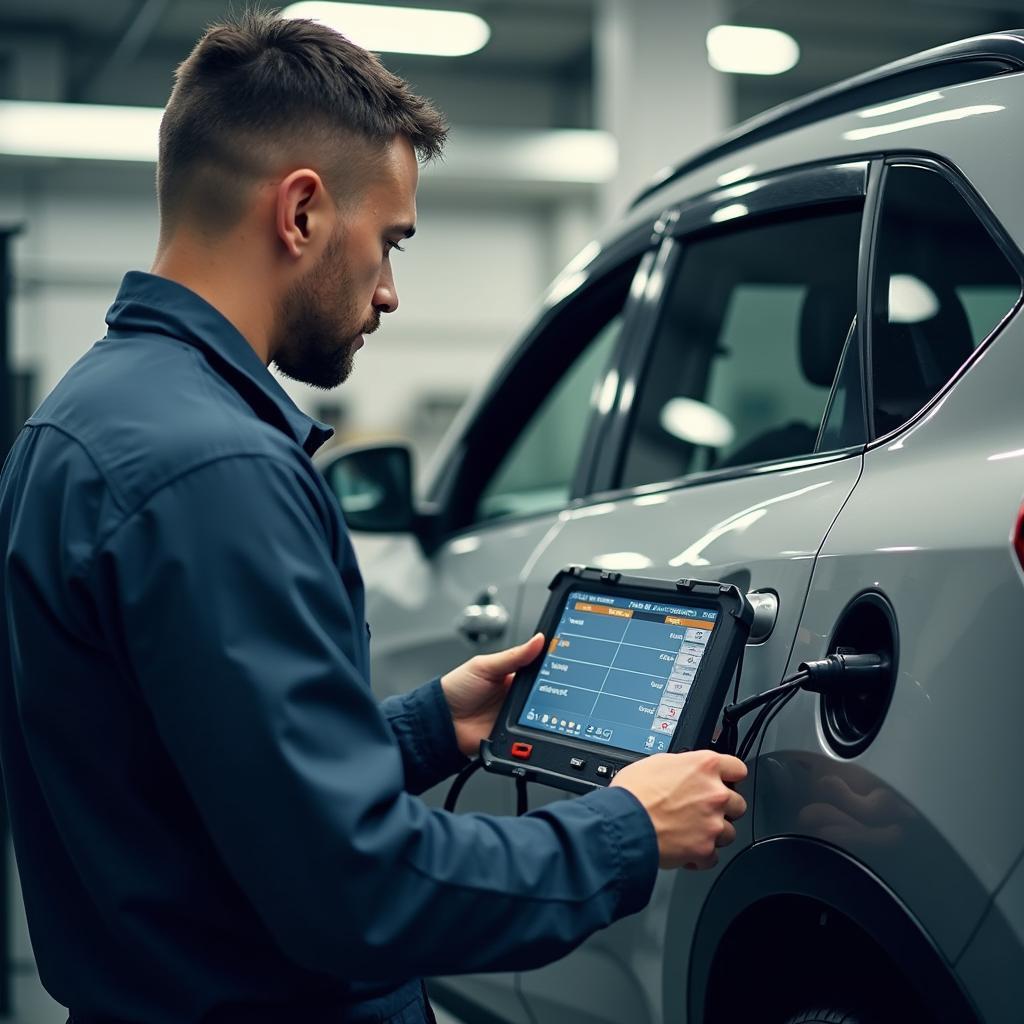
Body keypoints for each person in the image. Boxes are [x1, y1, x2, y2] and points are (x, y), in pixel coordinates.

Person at [0, 11, 747, 1023]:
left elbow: (196, 779)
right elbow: (357, 890)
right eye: (389, 241)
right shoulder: (214, 468)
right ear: (301, 211)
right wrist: (625, 827)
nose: (390, 291)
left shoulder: (79, 422)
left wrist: (429, 725)